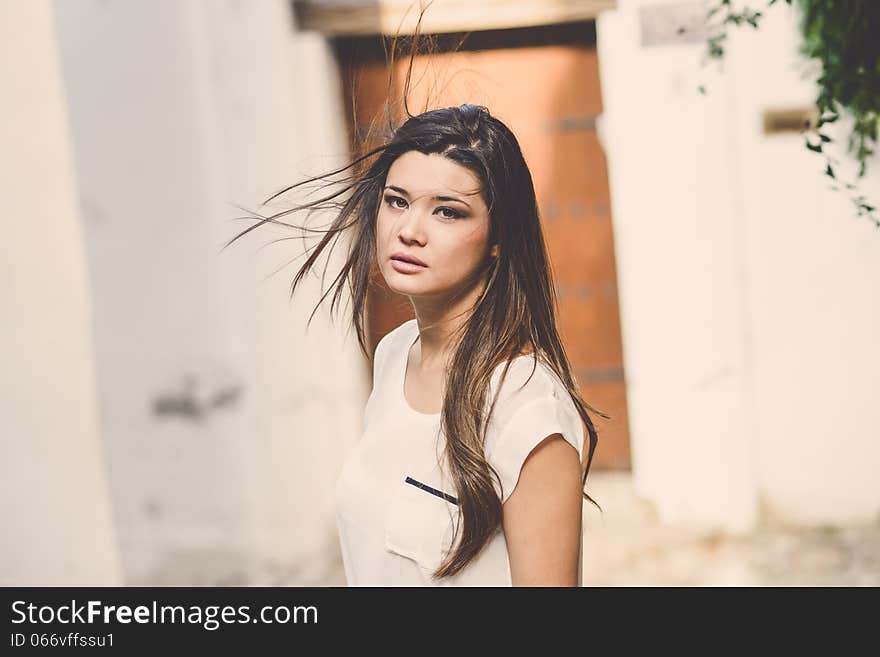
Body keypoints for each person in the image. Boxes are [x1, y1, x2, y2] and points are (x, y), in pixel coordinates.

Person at [227, 100, 606, 586]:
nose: (408, 231)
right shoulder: (395, 354)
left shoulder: (526, 408)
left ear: (498, 240)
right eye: (397, 201)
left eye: (448, 212)